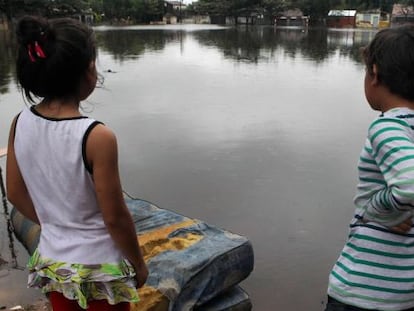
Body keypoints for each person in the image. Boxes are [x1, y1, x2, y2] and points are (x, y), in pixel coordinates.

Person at [6, 15, 148, 310]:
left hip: (54, 263)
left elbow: (15, 193)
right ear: (88, 72)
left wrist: (57, 223)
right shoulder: (97, 136)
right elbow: (115, 217)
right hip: (101, 270)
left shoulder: (20, 123)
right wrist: (138, 263)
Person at [325, 26, 414, 311]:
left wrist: (377, 208)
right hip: (404, 292)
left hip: (361, 291)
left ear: (374, 74)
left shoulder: (388, 126)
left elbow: (410, 183)